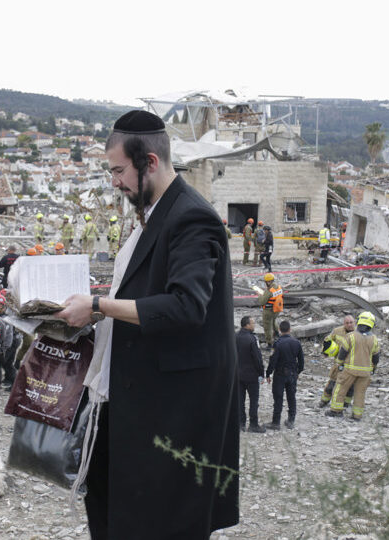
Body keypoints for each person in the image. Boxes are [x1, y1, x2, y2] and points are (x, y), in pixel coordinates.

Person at [57, 110, 239, 538]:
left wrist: (99, 305)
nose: (115, 182)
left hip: (172, 412)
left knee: (157, 523)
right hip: (134, 400)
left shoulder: (192, 217)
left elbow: (186, 306)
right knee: (109, 507)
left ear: (150, 162)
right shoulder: (157, 211)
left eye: (119, 171)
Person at [327, 311, 380, 421]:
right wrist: (373, 368)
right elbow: (376, 357)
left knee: (340, 389)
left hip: (349, 370)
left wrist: (339, 363)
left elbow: (343, 352)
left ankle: (336, 411)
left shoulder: (351, 336)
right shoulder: (374, 339)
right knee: (360, 394)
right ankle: (357, 415)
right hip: (365, 372)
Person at [265, 320, 304, 430]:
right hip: (292, 374)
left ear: (279, 330)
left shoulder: (277, 344)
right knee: (291, 397)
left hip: (280, 374)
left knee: (278, 398)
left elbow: (273, 360)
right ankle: (291, 421)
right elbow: (301, 361)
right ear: (290, 329)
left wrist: (268, 373)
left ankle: (276, 422)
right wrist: (298, 372)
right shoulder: (297, 343)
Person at [236, 316, 265, 433]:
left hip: (237, 375)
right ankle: (253, 424)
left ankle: (240, 423)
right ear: (247, 325)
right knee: (253, 400)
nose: (254, 325)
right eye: (252, 323)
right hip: (251, 375)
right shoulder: (252, 339)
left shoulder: (235, 336)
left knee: (240, 400)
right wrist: (261, 373)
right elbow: (257, 358)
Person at [319, 315, 355, 407]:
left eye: (351, 322)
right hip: (338, 363)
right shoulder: (337, 331)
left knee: (351, 386)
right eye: (347, 323)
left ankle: (346, 403)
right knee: (332, 383)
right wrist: (325, 351)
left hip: (352, 364)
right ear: (344, 324)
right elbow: (327, 340)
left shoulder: (358, 334)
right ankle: (324, 401)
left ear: (354, 322)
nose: (349, 325)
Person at [257, 273, 283, 347]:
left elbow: (262, 302)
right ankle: (277, 334)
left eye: (266, 282)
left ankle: (269, 344)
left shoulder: (269, 291)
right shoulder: (278, 287)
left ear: (268, 282)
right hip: (277, 309)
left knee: (267, 327)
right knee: (274, 321)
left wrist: (259, 295)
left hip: (269, 311)